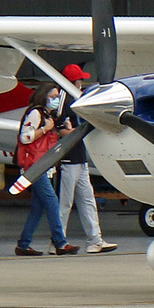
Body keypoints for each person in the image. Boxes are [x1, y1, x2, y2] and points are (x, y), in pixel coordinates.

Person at [54, 63, 117, 253]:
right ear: (72, 81)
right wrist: (72, 131)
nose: (81, 83)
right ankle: (58, 241)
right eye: (79, 79)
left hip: (79, 158)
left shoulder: (76, 98)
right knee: (65, 202)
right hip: (68, 159)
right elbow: (58, 127)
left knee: (87, 199)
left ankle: (95, 240)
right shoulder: (63, 98)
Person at [15, 81, 79, 257]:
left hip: (44, 165)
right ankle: (60, 242)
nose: (56, 100)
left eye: (57, 97)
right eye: (52, 97)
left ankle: (24, 243)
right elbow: (26, 137)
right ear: (44, 96)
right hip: (35, 167)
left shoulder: (48, 115)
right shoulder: (36, 114)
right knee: (51, 202)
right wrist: (45, 129)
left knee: (38, 207)